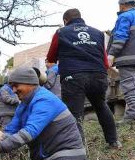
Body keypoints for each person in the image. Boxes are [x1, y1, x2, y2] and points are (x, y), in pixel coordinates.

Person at [46, 8, 120, 149]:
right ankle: (113, 142)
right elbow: (105, 62)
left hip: (73, 76)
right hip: (98, 75)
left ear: (65, 21)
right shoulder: (98, 33)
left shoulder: (61, 32)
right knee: (101, 105)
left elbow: (51, 58)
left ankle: (79, 150)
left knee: (75, 115)